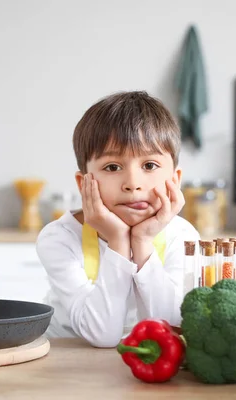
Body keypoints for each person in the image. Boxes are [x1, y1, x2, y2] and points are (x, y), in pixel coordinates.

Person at [36, 91, 200, 347]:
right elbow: (102, 335)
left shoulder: (183, 236)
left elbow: (171, 326)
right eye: (112, 167)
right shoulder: (59, 238)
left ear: (175, 180)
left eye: (149, 166)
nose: (133, 184)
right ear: (83, 183)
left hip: (145, 364)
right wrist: (118, 241)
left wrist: (143, 241)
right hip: (67, 362)